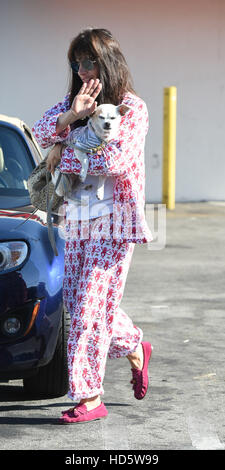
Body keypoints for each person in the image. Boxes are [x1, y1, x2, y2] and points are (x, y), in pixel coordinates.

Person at [32, 28, 153, 424]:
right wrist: (73, 116)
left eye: (90, 61)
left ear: (108, 62)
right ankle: (135, 344)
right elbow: (40, 131)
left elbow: (114, 160)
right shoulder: (77, 103)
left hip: (113, 223)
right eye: (77, 63)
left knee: (87, 309)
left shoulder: (132, 109)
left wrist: (63, 154)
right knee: (85, 305)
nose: (83, 70)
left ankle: (88, 397)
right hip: (76, 221)